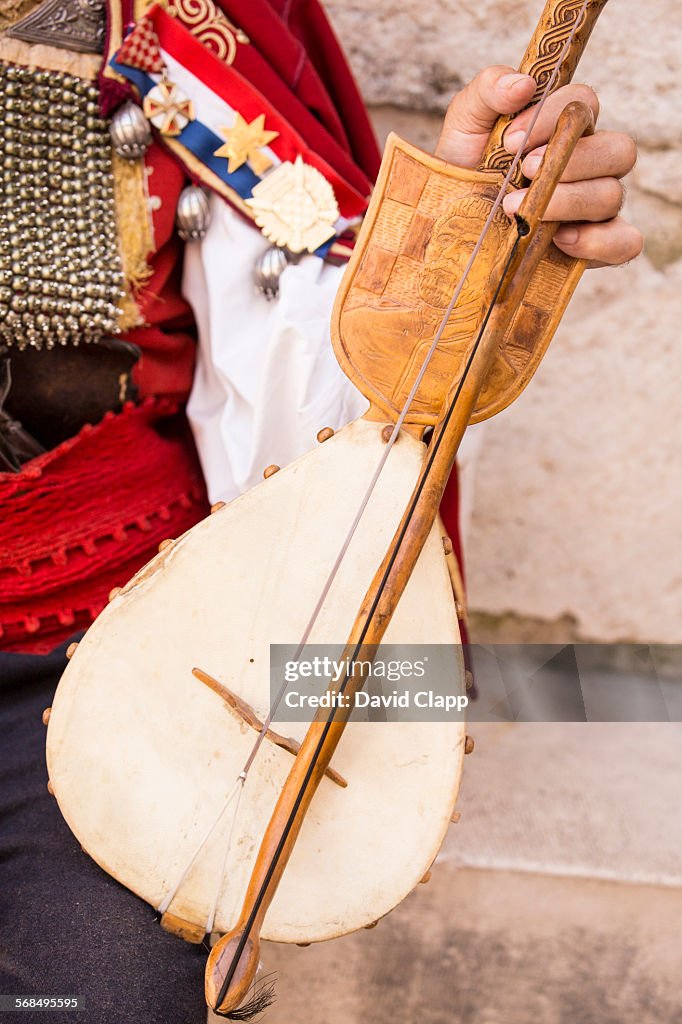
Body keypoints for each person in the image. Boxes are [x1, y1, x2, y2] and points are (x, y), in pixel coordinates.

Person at [0, 2, 642, 1021]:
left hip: (113, 661)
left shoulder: (166, 29)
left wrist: (448, 266)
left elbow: (341, 412)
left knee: (102, 1001)